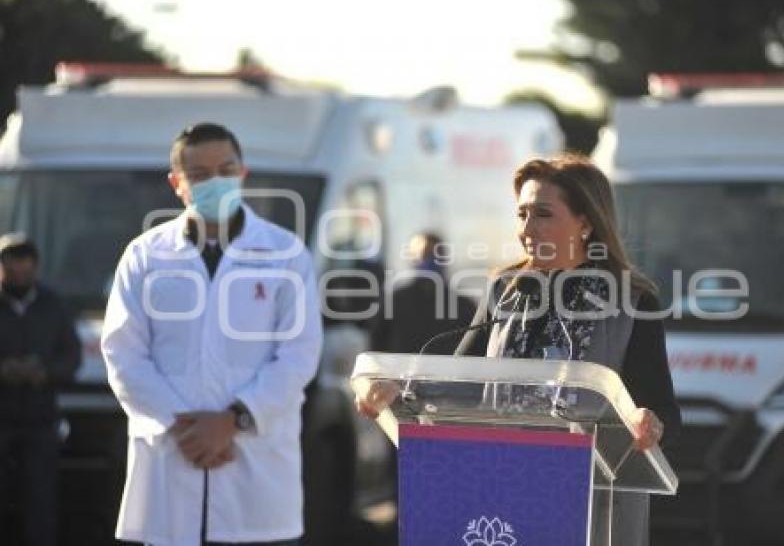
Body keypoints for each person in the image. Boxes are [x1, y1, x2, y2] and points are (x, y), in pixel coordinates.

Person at [101, 123, 322, 546]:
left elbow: (299, 354)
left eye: (226, 169)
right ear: (176, 183)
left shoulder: (285, 252)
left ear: (243, 173)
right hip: (171, 463)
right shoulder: (145, 256)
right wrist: (186, 427)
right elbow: (124, 355)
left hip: (255, 474)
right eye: (200, 175)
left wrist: (232, 420)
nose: (215, 182)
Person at [454, 155, 681, 546]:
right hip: (502, 499)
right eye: (522, 214)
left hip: (592, 510)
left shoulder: (631, 301)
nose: (527, 228)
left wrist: (650, 421)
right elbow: (455, 380)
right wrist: (396, 390)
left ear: (586, 222)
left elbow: (662, 409)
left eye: (542, 214)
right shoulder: (505, 290)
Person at [0, 233, 82, 546]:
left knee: (40, 506)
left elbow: (71, 356)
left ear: (35, 268)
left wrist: (44, 372)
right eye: (10, 270)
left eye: (24, 269)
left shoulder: (54, 305)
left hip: (40, 422)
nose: (18, 276)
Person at [370, 232, 476, 355]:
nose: (429, 260)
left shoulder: (462, 305)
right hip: (400, 372)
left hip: (447, 373)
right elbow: (376, 346)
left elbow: (475, 349)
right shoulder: (395, 301)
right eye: (424, 254)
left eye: (436, 255)